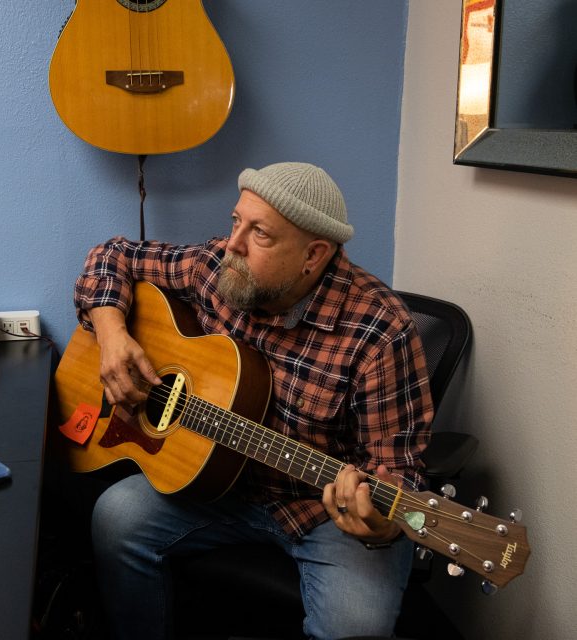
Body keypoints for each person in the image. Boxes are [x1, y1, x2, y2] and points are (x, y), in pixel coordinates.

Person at [72, 162, 434, 640]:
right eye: (235, 221)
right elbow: (111, 255)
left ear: (314, 254)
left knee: (356, 626)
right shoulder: (216, 268)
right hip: (218, 488)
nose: (233, 245)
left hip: (324, 513)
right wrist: (113, 333)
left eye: (258, 233)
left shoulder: (380, 331)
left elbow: (399, 473)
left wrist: (385, 524)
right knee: (114, 518)